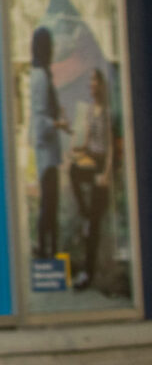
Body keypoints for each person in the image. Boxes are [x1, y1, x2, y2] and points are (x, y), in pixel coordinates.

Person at [67, 68, 113, 290]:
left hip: (102, 166)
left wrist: (107, 174)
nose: (92, 85)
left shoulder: (107, 112)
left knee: (95, 224)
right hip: (91, 161)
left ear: (102, 85)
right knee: (73, 171)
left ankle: (88, 272)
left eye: (95, 81)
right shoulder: (89, 111)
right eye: (91, 81)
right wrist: (75, 148)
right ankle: (85, 214)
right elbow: (86, 142)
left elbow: (111, 146)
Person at [28, 26, 66, 261]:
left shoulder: (42, 73)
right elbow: (41, 118)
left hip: (48, 149)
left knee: (50, 202)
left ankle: (48, 248)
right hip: (46, 150)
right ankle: (46, 250)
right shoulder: (40, 76)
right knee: (49, 202)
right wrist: (57, 124)